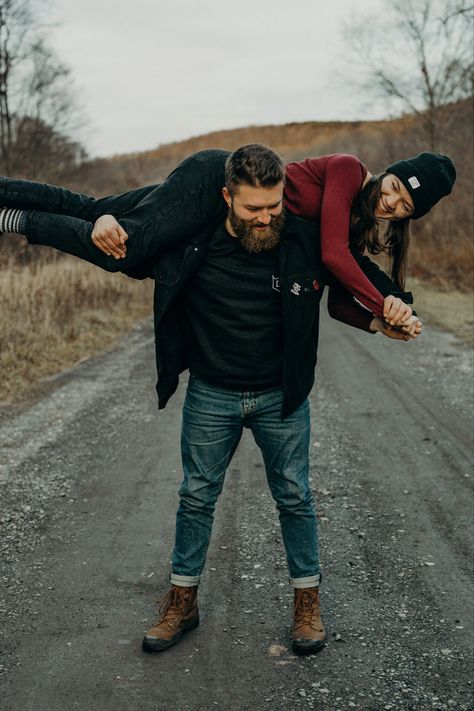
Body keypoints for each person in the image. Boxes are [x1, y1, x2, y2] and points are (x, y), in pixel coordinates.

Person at [0, 145, 455, 656]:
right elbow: (336, 258)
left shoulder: (323, 227)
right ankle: (182, 600)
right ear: (229, 199)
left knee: (295, 497)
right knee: (125, 240)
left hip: (280, 396)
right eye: (395, 188)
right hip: (212, 385)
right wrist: (388, 300)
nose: (393, 202)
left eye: (406, 207)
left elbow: (339, 279)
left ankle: (307, 604)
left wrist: (391, 312)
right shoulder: (333, 180)